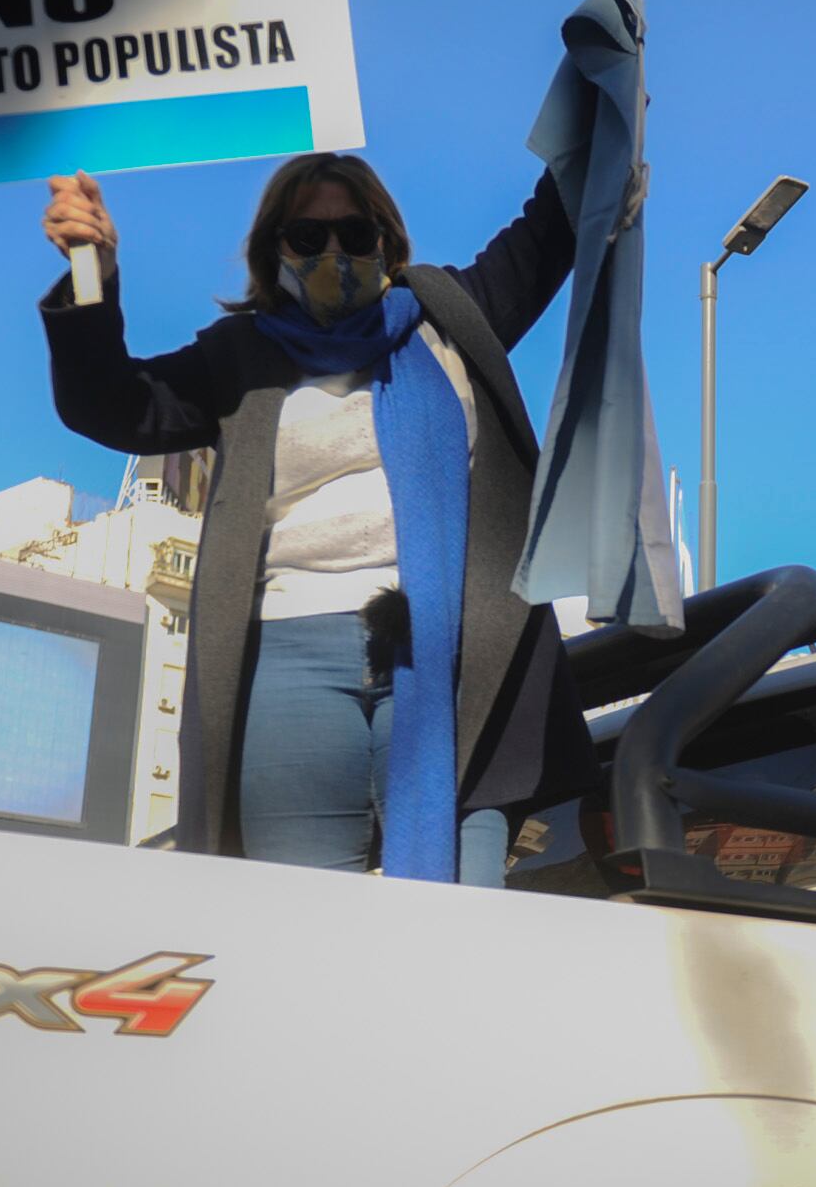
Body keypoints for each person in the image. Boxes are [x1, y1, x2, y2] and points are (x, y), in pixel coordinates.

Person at [39, 153, 599, 883]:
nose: (333, 252)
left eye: (354, 233)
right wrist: (93, 271)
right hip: (289, 660)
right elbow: (112, 404)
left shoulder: (453, 316)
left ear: (387, 244)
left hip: (449, 657)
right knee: (302, 917)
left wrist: (601, 87)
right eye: (307, 236)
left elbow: (554, 223)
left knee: (462, 918)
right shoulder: (239, 356)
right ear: (276, 251)